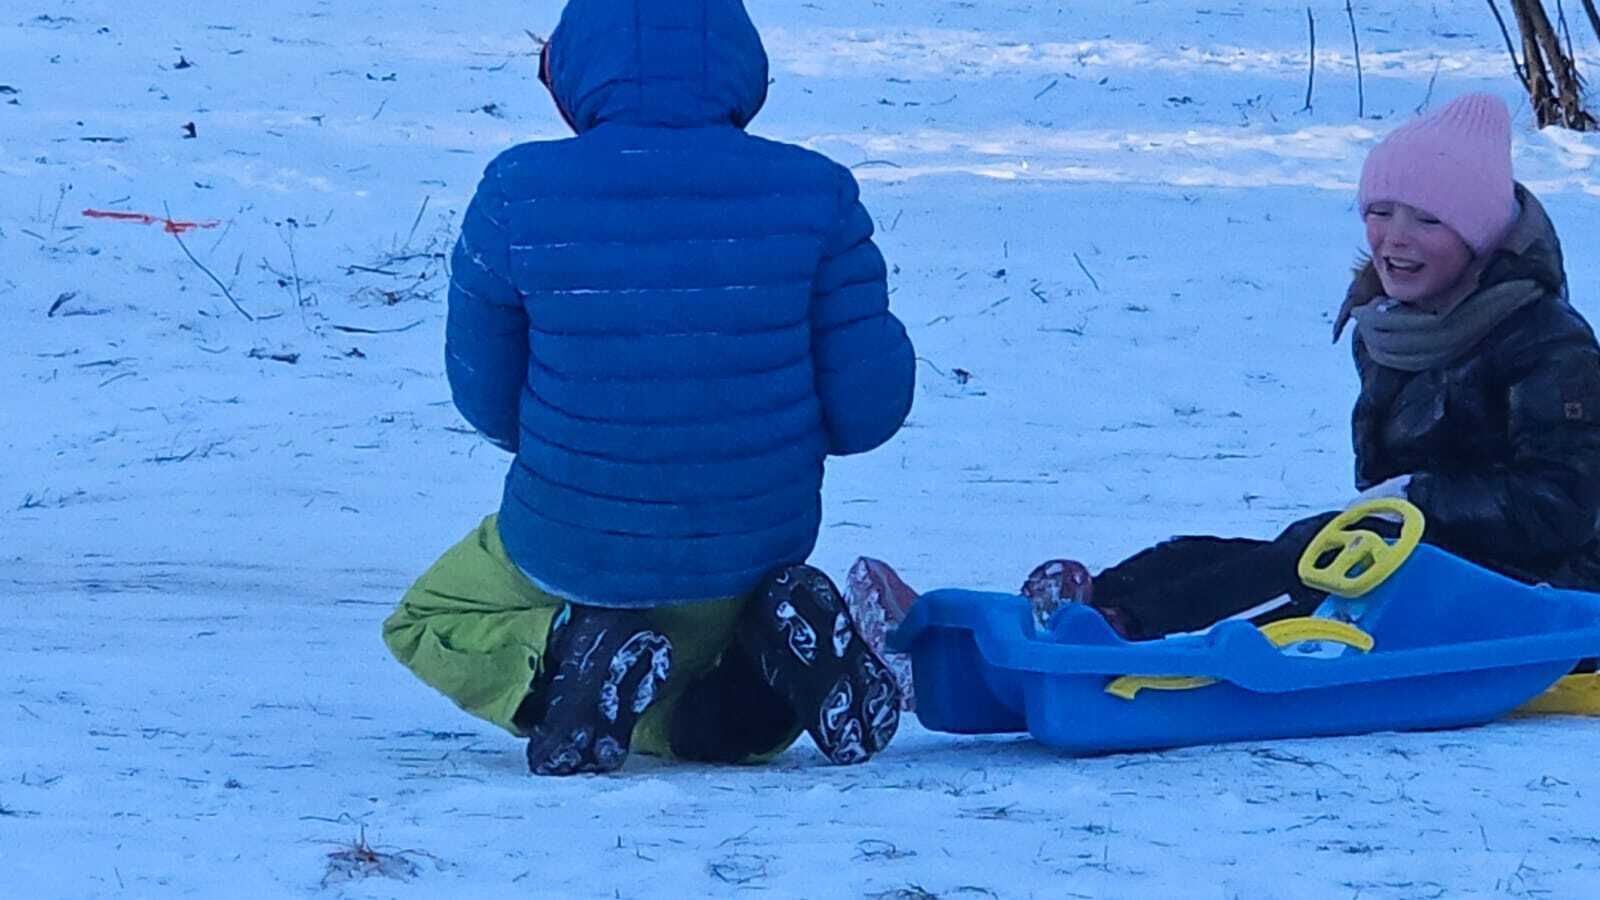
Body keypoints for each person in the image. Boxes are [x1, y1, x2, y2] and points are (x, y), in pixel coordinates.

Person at [850, 93, 1600, 702]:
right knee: (1237, 556)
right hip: (1426, 552)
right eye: (1380, 211)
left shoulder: (1546, 344)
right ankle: (1053, 621)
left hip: (1545, 598)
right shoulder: (1398, 324)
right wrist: (1409, 508)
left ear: (1477, 237)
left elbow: (1566, 506)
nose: (1393, 239)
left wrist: (1424, 499)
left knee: (1297, 577)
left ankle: (1092, 651)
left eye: (1427, 220)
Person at [383, 0, 915, 775]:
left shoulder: (516, 192)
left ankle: (572, 648)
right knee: (732, 717)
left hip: (574, 536)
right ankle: (766, 655)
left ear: (570, 72)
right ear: (741, 63)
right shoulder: (818, 193)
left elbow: (485, 396)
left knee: (428, 621)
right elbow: (869, 411)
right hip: (754, 542)